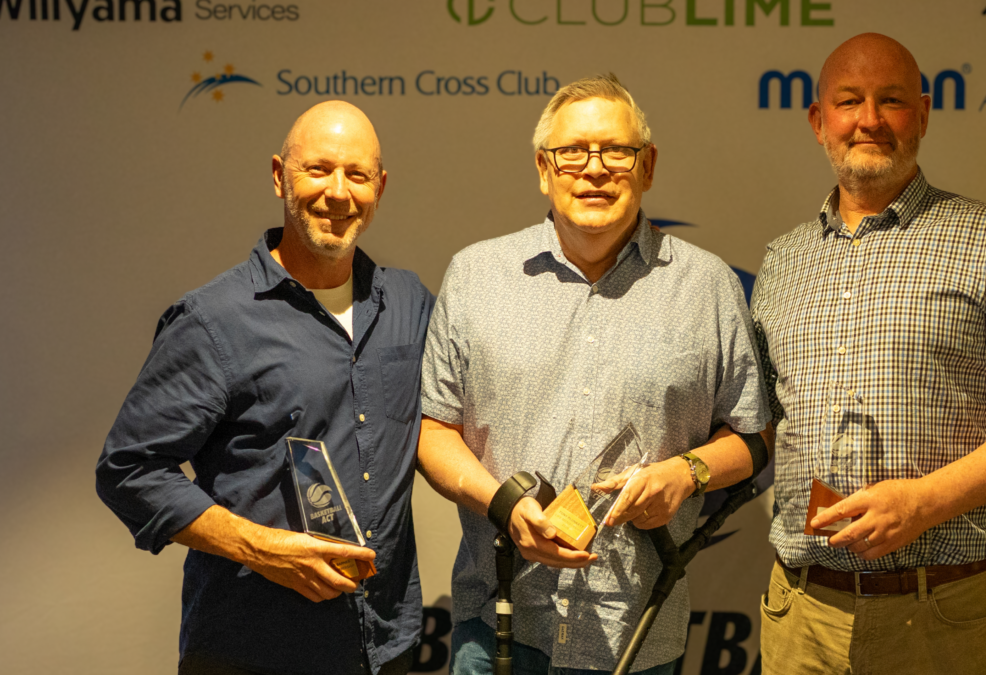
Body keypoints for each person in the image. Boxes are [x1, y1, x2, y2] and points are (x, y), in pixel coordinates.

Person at [752, 34, 986, 674]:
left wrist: (924, 502)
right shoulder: (783, 261)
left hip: (943, 612)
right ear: (818, 120)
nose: (870, 120)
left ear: (925, 114)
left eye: (893, 100)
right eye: (849, 101)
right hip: (800, 614)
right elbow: (762, 423)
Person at [417, 74, 770, 674]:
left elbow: (754, 437)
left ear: (648, 164)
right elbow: (433, 431)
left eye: (617, 151)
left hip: (637, 636)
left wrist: (687, 473)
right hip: (497, 625)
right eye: (573, 152)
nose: (595, 168)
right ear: (543, 168)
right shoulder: (477, 275)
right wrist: (504, 506)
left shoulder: (706, 287)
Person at [96, 101, 431, 675]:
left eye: (357, 175)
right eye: (318, 169)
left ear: (380, 186)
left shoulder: (408, 303)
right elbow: (129, 470)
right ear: (280, 175)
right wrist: (264, 549)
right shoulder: (213, 321)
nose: (338, 192)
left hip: (386, 644)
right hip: (255, 648)